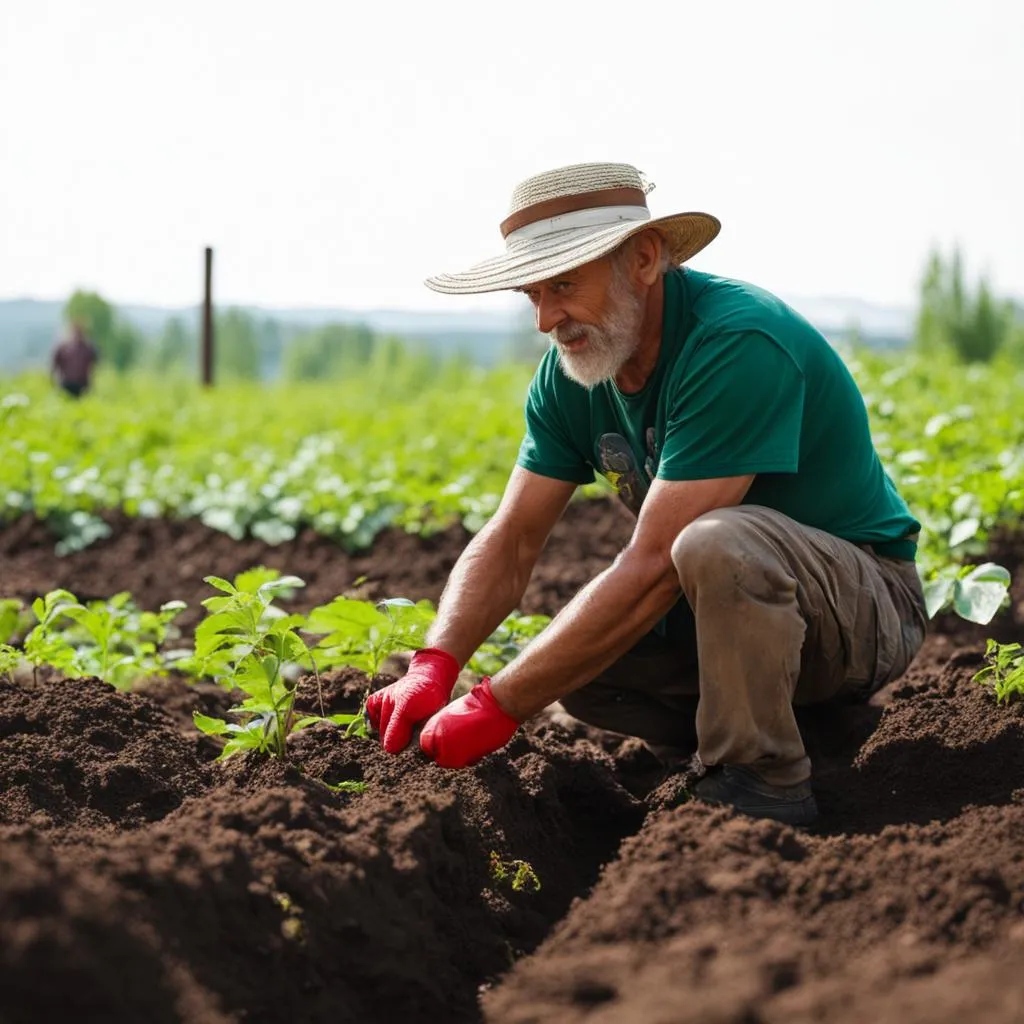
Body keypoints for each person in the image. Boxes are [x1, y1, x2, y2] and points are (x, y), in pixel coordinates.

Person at [366, 162, 926, 825]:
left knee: (717, 542)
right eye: (532, 294)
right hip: (745, 617)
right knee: (579, 664)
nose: (547, 318)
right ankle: (723, 743)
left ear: (644, 259)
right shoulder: (572, 376)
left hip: (864, 609)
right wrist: (436, 662)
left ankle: (760, 781)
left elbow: (659, 562)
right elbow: (514, 536)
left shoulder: (736, 341)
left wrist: (500, 703)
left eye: (565, 284)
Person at [51, 321, 98, 398]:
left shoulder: (88, 349)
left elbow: (94, 365)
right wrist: (53, 381)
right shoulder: (63, 348)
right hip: (66, 384)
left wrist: (92, 380)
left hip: (82, 384)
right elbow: (54, 365)